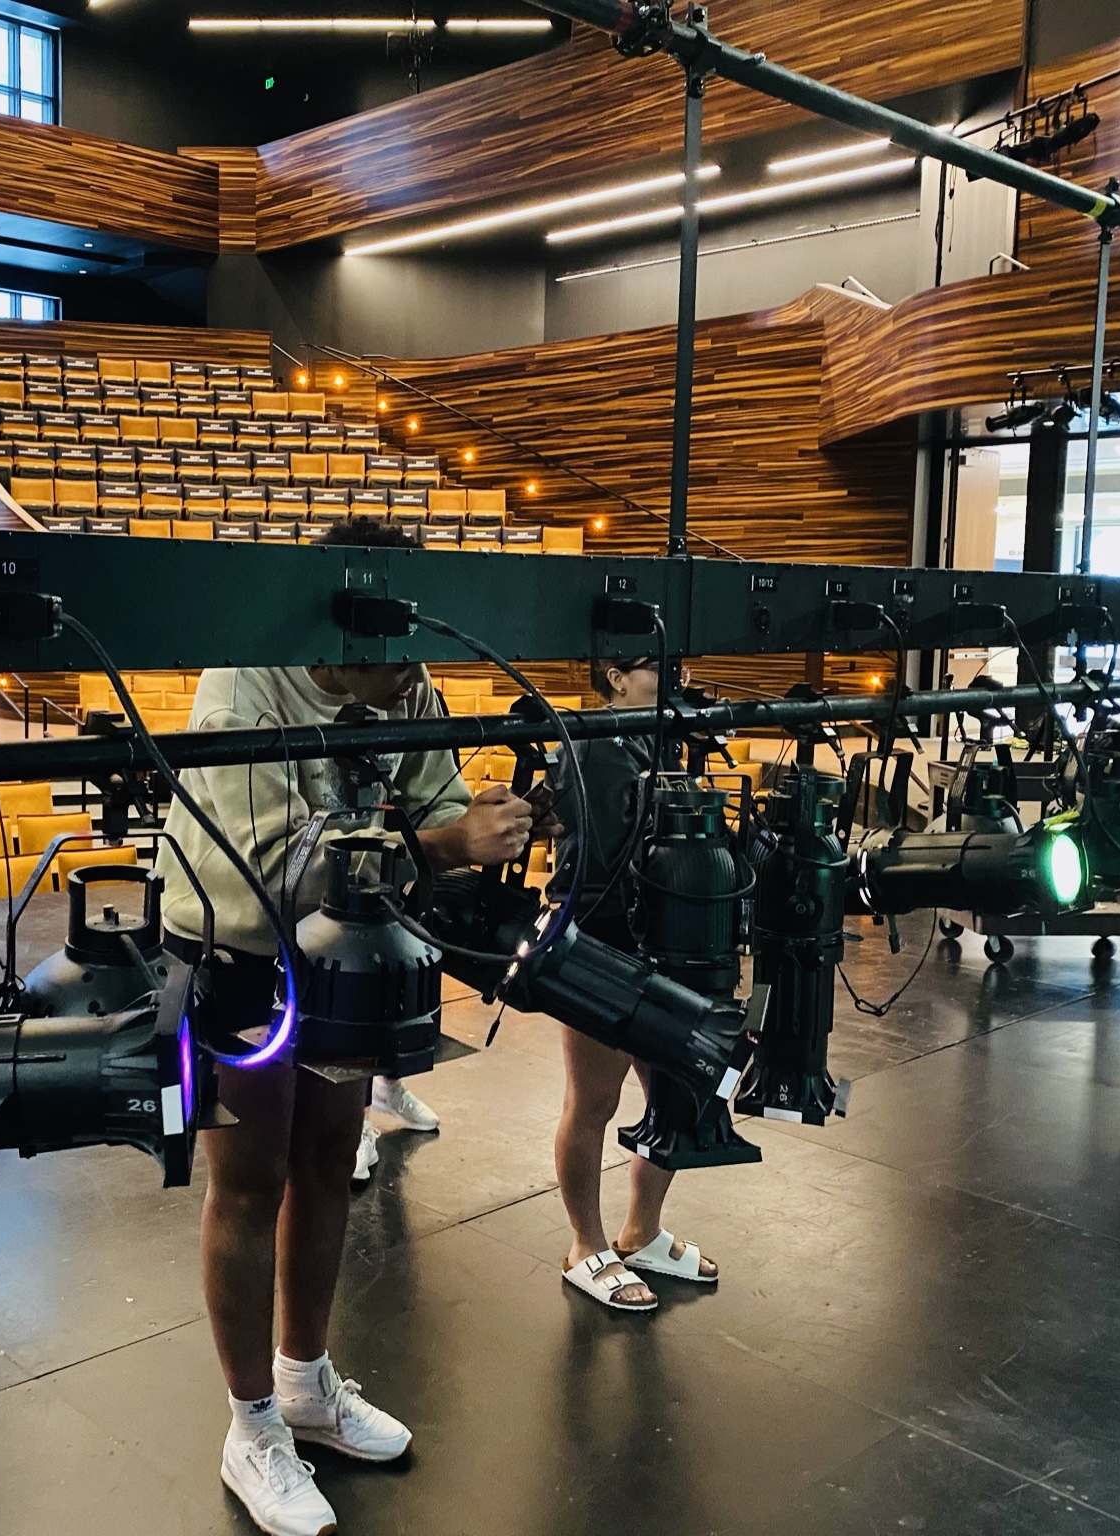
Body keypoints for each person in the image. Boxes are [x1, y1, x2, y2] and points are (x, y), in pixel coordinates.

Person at [154, 522, 551, 1536]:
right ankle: (250, 1426)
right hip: (236, 948)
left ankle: (304, 1383)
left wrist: (488, 823)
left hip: (339, 954)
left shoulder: (403, 683)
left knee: (331, 1156)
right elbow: (282, 868)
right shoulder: (247, 679)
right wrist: (446, 842)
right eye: (397, 653)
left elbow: (440, 796)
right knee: (249, 1181)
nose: (416, 674)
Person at [546, 653, 720, 1312]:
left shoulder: (668, 735)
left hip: (673, 932)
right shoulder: (591, 742)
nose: (671, 676)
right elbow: (597, 850)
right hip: (602, 935)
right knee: (594, 1100)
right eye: (655, 666)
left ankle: (640, 1232)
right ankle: (584, 1246)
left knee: (677, 1096)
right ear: (614, 677)